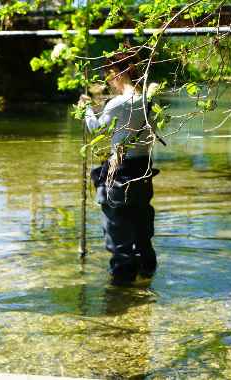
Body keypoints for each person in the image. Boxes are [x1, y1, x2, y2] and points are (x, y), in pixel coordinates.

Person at [79, 52, 159, 284]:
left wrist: (85, 108)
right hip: (144, 170)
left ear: (119, 74)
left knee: (117, 229)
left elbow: (97, 129)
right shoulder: (149, 101)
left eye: (110, 77)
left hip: (120, 172)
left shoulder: (117, 103)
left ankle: (121, 289)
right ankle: (147, 275)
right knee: (142, 225)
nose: (109, 83)